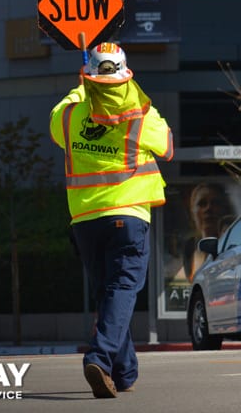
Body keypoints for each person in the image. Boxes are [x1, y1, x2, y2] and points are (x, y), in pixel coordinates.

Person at [49, 42, 173, 398]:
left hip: (85, 219)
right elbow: (167, 146)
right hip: (129, 216)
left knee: (109, 294)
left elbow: (57, 124)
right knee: (121, 290)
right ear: (126, 72)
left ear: (88, 75)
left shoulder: (71, 114)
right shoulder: (140, 113)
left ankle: (124, 371)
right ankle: (101, 358)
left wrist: (79, 87)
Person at [182, 182, 236, 282]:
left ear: (224, 209)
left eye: (215, 203)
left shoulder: (233, 244)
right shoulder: (190, 246)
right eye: (202, 204)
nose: (208, 209)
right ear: (193, 213)